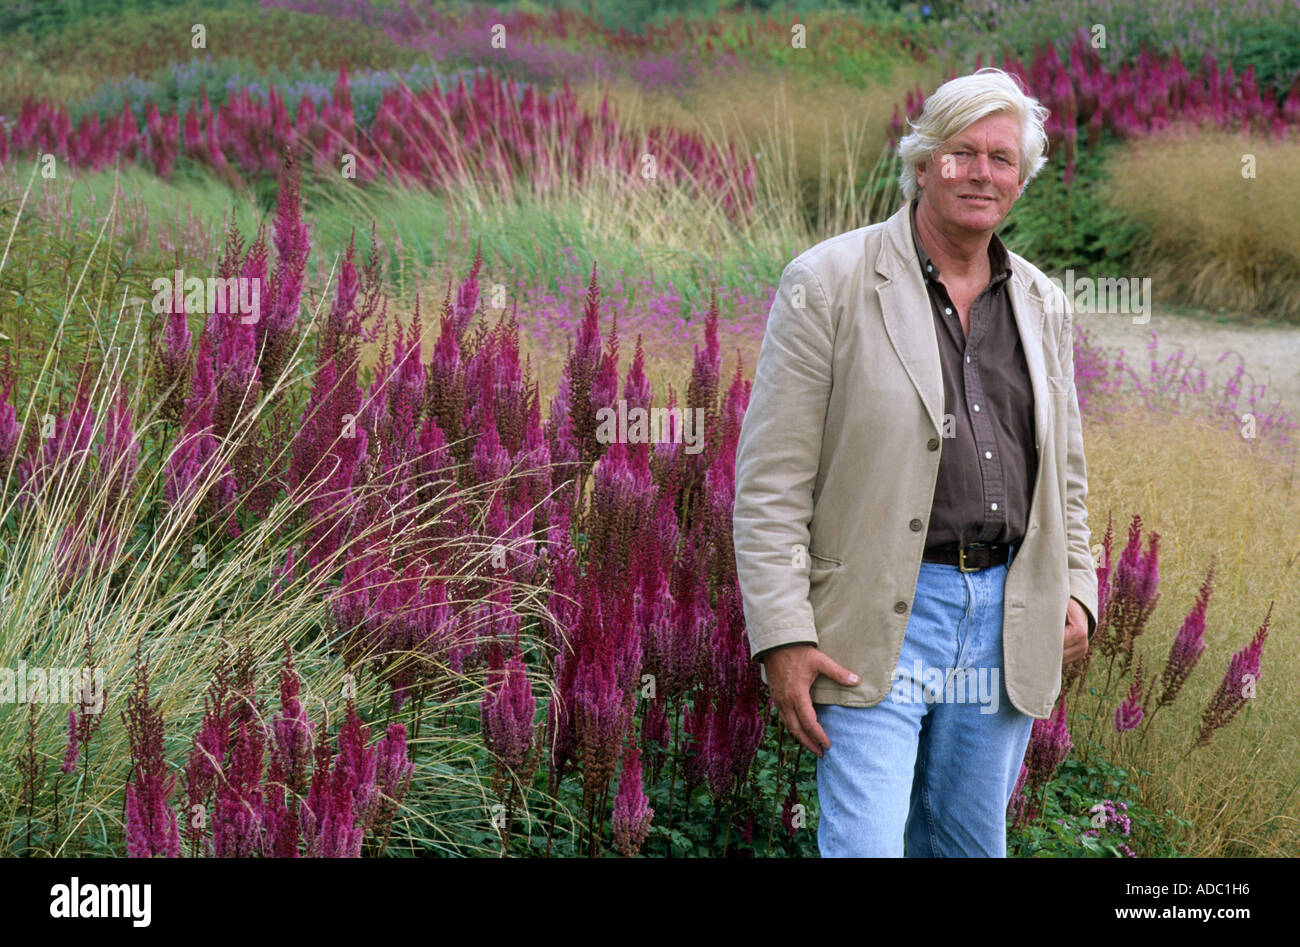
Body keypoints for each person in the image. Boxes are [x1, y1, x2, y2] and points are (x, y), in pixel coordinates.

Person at [732, 67, 1098, 857]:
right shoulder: (827, 281)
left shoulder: (1042, 302)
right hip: (873, 616)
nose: (981, 172)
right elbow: (770, 482)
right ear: (923, 161)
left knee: (968, 844)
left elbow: (1065, 473)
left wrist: (1078, 589)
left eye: (1002, 158)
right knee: (865, 845)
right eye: (961, 151)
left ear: (1023, 178)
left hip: (1007, 620)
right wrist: (782, 634)